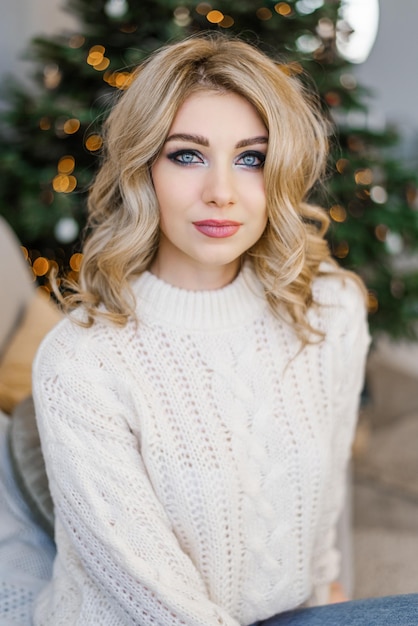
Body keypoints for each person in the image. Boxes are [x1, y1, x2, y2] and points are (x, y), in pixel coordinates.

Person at [27, 32, 410, 625]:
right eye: (188, 154)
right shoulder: (81, 361)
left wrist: (329, 594)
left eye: (251, 159)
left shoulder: (330, 311)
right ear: (143, 167)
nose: (221, 194)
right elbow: (159, 605)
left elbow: (323, 511)